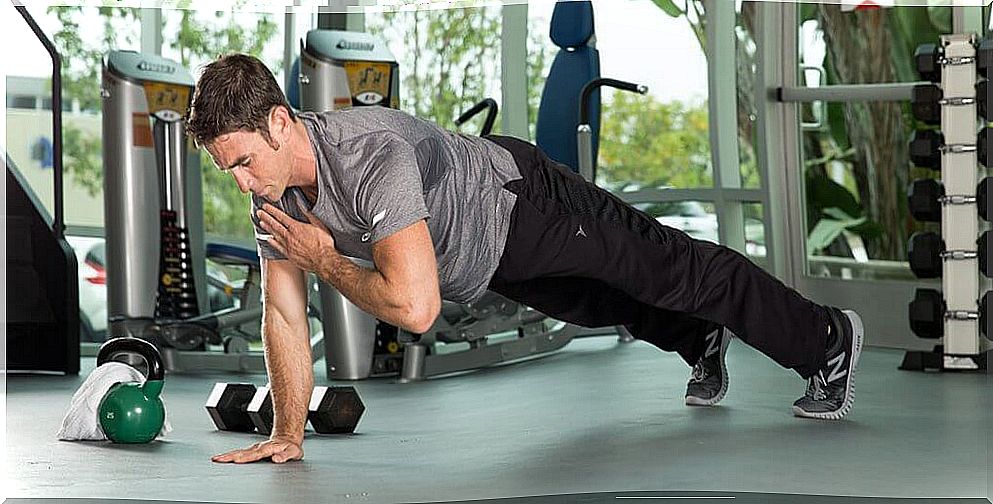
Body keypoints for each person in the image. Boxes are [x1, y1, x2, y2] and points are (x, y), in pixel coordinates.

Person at [187, 54, 865, 465]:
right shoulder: (275, 193)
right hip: (486, 257)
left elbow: (416, 310)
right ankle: (697, 336)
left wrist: (327, 262)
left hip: (525, 200)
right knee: (600, 302)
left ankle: (824, 337)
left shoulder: (372, 155)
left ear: (279, 123)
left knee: (669, 266)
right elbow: (280, 311)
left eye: (243, 162)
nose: (242, 183)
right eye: (230, 172)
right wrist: (286, 433)